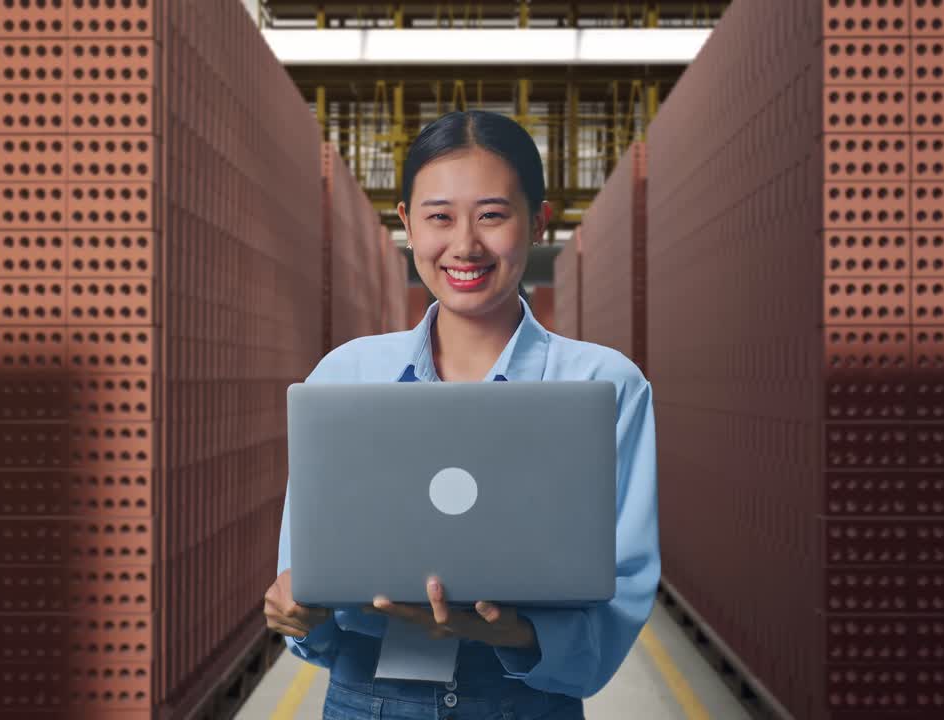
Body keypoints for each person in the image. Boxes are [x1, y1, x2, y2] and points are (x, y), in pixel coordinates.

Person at [264, 110, 660, 720]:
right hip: (365, 701)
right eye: (439, 217)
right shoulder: (346, 377)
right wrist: (297, 617)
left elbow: (624, 589)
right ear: (407, 225)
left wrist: (515, 635)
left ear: (538, 222)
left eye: (493, 215)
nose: (465, 245)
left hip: (525, 702)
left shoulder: (605, 385)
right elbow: (306, 583)